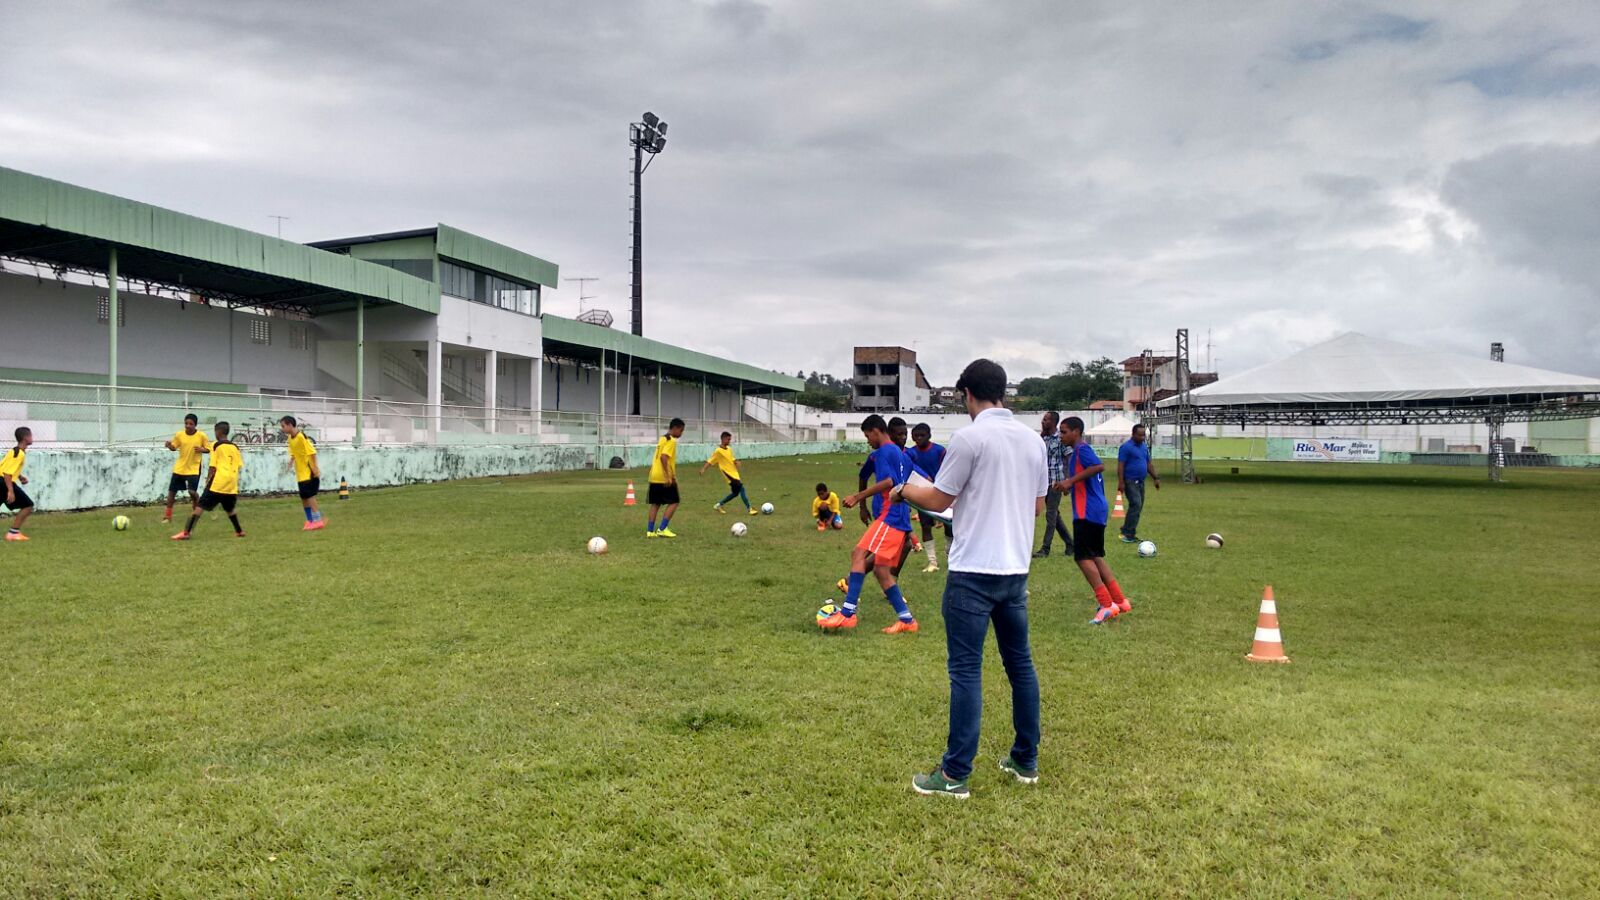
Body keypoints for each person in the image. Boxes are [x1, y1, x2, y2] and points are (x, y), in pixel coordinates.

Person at [897, 359, 1046, 799]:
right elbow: (1037, 507)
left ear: (966, 394)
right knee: (1020, 665)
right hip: (1015, 572)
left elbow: (941, 497)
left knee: (965, 670)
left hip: (972, 574)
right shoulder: (1032, 440)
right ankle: (1025, 759)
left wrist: (905, 488)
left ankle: (955, 773)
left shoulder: (969, 437)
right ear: (1002, 391)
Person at [817, 415, 918, 634]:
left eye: (867, 436)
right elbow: (906, 483)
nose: (868, 441)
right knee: (881, 570)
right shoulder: (903, 455)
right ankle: (907, 620)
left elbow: (890, 482)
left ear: (875, 430)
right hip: (900, 517)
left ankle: (847, 613)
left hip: (890, 515)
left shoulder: (882, 453)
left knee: (858, 554)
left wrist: (857, 496)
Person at [1059, 416, 1132, 624]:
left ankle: (1107, 604)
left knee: (1082, 558)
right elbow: (1087, 480)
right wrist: (1068, 486)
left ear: (1076, 431)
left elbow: (1098, 467)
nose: (1061, 436)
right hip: (1095, 509)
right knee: (1096, 556)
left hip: (1087, 512)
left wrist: (1070, 481)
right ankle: (1120, 601)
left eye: (1064, 431)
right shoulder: (1077, 453)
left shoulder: (1082, 449)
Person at [172, 422, 244, 540]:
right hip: (232, 483)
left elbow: (213, 466)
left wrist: (208, 479)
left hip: (218, 481)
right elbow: (239, 465)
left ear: (218, 432)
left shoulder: (215, 445)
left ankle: (186, 533)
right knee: (229, 508)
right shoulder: (235, 447)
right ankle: (239, 531)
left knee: (200, 506)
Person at [905, 422, 949, 573]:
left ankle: (951, 558)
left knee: (949, 527)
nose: (918, 439)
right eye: (915, 436)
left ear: (929, 435)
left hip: (943, 494)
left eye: (922, 435)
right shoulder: (911, 453)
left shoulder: (940, 451)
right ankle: (932, 562)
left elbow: (948, 470)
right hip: (923, 496)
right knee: (925, 526)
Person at [1034, 411, 1073, 558]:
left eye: (1046, 420)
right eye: (1043, 419)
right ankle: (1070, 544)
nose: (1043, 422)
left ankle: (1045, 549)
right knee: (1055, 516)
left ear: (1054, 422)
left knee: (1051, 515)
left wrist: (1068, 481)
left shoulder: (1060, 439)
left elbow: (1069, 458)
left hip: (1056, 482)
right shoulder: (1041, 439)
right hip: (1043, 482)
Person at [163, 413, 211, 523]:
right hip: (180, 468)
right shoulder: (179, 435)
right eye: (186, 423)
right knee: (171, 492)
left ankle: (197, 509)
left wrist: (202, 449)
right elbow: (174, 447)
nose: (188, 426)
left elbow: (208, 449)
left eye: (191, 424)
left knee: (192, 492)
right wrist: (169, 445)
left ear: (195, 425)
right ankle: (167, 517)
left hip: (193, 468)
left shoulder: (201, 436)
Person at [279, 416, 324, 531]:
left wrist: (314, 468)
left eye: (283, 426)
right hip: (300, 473)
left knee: (309, 496)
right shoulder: (290, 439)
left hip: (307, 471)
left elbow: (312, 452)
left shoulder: (301, 437)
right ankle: (309, 520)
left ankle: (318, 520)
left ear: (290, 425)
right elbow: (294, 453)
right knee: (304, 497)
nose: (282, 429)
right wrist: (290, 462)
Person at [1116, 423, 1159, 543]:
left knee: (1138, 507)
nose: (1142, 438)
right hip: (1130, 481)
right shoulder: (1126, 447)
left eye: (1143, 435)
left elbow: (1148, 463)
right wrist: (1121, 482)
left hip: (1141, 482)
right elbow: (1121, 466)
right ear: (1133, 434)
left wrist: (1155, 477)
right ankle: (1128, 533)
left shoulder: (1144, 446)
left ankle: (1127, 529)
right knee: (1136, 504)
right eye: (1139, 435)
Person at [646, 418, 685, 538]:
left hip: (654, 475)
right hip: (663, 477)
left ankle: (650, 531)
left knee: (656, 503)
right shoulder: (672, 441)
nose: (681, 433)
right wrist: (669, 476)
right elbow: (664, 457)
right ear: (676, 428)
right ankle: (662, 528)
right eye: (681, 431)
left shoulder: (663, 438)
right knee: (674, 501)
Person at [702, 431, 756, 515]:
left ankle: (718, 505)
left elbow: (731, 458)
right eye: (728, 439)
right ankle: (749, 509)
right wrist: (703, 469)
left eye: (730, 439)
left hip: (735, 474)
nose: (729, 441)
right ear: (723, 439)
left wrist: (736, 462)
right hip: (729, 476)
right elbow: (710, 461)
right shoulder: (718, 451)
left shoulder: (729, 449)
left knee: (735, 493)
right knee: (742, 489)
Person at [2, 426, 35, 542]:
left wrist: (20, 477)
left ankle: (13, 533)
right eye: (31, 435)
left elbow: (6, 467)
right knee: (28, 505)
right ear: (25, 438)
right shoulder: (19, 453)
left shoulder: (14, 450)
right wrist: (10, 491)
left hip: (2, 480)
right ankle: (13, 533)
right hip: (4, 482)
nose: (32, 438)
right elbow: (6, 473)